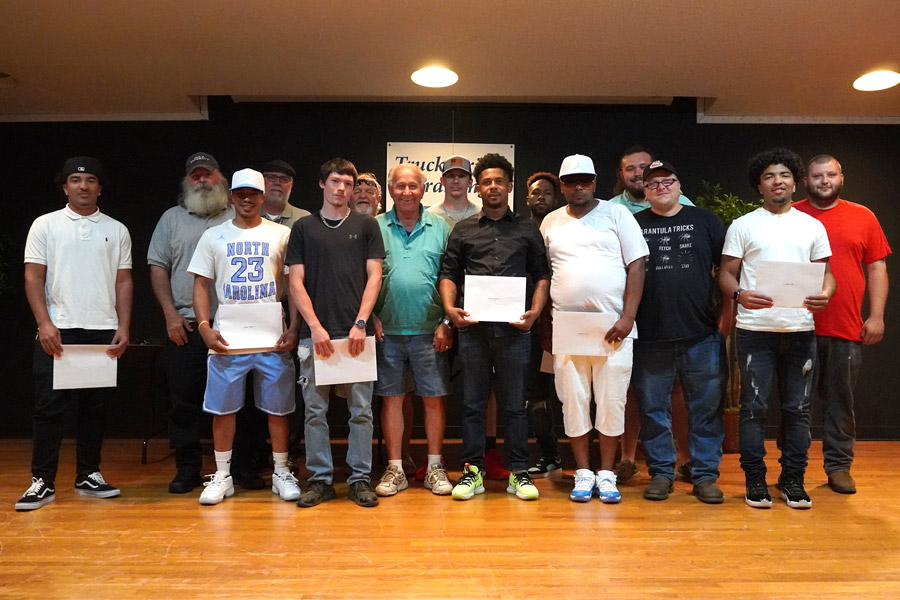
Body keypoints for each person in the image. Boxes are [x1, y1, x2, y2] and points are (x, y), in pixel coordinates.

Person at [719, 147, 835, 509]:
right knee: (753, 408)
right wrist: (739, 294)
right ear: (759, 185)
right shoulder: (743, 225)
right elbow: (725, 272)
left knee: (798, 409)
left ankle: (793, 479)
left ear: (795, 181)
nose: (777, 181)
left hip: (800, 328)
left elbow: (827, 275)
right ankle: (756, 479)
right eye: (769, 176)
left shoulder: (812, 226)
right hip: (755, 329)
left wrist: (825, 295)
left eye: (783, 175)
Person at [17, 157, 132, 511]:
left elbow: (123, 280)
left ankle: (88, 474)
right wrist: (44, 323)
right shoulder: (45, 225)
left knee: (94, 408)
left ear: (100, 187)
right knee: (49, 409)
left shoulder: (117, 229)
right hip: (58, 329)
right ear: (64, 186)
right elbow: (33, 276)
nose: (83, 186)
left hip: (101, 330)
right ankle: (42, 481)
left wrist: (123, 326)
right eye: (76, 179)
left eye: (90, 180)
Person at [439, 153, 550, 501]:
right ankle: (473, 472)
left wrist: (534, 311)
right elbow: (447, 274)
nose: (492, 187)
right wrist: (449, 309)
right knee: (472, 404)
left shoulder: (527, 229)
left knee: (515, 405)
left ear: (510, 186)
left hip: (516, 332)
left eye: (498, 181)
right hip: (473, 331)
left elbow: (543, 275)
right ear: (478, 187)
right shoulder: (464, 229)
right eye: (486, 182)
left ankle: (519, 471)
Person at [187, 168, 300, 505]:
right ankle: (223, 474)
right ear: (231, 196)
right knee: (223, 409)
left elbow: (294, 287)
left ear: (263, 196)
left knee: (279, 409)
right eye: (241, 193)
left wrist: (294, 327)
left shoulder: (281, 234)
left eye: (254, 193)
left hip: (271, 336)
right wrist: (204, 326)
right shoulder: (213, 236)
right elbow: (200, 285)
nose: (247, 199)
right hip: (228, 337)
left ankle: (281, 470)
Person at [541, 154, 648, 503]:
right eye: (571, 181)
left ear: (595, 182)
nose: (579, 186)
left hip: (613, 329)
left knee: (612, 401)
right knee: (573, 401)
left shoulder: (617, 215)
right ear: (562, 186)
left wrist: (628, 316)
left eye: (585, 180)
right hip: (568, 329)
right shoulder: (551, 222)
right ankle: (583, 472)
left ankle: (606, 473)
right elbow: (543, 275)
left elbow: (637, 266)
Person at [287, 158, 385, 508]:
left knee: (361, 411)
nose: (342, 188)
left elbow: (374, 276)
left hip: (356, 334)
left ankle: (360, 480)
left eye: (347, 182)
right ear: (322, 185)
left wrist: (361, 322)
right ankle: (320, 480)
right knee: (314, 412)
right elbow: (295, 281)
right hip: (315, 336)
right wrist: (313, 327)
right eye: (335, 181)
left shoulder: (366, 225)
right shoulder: (304, 228)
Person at [149, 152, 247, 493]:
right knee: (184, 403)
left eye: (208, 174)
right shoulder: (171, 219)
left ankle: (243, 470)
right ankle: (187, 469)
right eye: (196, 175)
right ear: (186, 181)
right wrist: (169, 314)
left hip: (234, 326)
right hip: (186, 326)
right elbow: (158, 267)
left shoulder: (238, 217)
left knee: (240, 403)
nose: (203, 180)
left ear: (221, 177)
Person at [794, 155, 891, 494]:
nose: (824, 180)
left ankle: (838, 467)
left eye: (830, 174)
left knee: (840, 402)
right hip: (796, 326)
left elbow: (877, 267)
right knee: (797, 404)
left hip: (845, 327)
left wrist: (876, 315)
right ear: (806, 180)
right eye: (817, 175)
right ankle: (794, 469)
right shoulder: (790, 215)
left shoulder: (863, 216)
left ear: (841, 178)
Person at [632, 160, 728, 503]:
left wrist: (726, 318)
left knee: (705, 410)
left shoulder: (706, 221)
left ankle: (704, 476)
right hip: (649, 337)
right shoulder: (632, 224)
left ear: (679, 185)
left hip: (701, 334)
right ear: (644, 192)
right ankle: (661, 473)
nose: (661, 187)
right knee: (653, 410)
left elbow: (730, 271)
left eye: (667, 181)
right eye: (653, 184)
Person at [609, 145, 694, 484]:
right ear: (622, 175)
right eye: (631, 169)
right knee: (628, 389)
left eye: (644, 167)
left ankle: (684, 458)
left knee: (677, 391)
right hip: (627, 313)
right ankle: (627, 458)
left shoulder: (685, 207)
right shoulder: (610, 211)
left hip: (673, 313)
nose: (638, 173)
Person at [372, 164, 454, 496]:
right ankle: (395, 469)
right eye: (400, 186)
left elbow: (453, 276)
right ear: (390, 190)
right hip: (385, 330)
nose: (407, 192)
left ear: (424, 190)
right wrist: (371, 317)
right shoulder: (374, 226)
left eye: (413, 186)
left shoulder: (442, 227)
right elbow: (362, 278)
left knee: (433, 399)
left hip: (430, 329)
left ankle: (434, 465)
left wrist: (447, 322)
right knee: (391, 399)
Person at [429, 154, 506, 480]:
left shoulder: (485, 215)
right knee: (436, 388)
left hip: (484, 316)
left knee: (485, 390)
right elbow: (446, 271)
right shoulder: (429, 217)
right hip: (441, 316)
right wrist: (446, 317)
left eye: (462, 176)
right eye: (451, 176)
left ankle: (488, 452)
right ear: (442, 180)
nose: (456, 181)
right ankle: (437, 457)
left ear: (468, 182)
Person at [523, 172, 563, 477]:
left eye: (547, 193)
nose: (541, 197)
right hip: (524, 326)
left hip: (560, 324)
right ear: (526, 199)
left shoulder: (565, 229)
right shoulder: (519, 230)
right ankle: (548, 454)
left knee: (564, 393)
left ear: (556, 198)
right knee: (534, 394)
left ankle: (572, 457)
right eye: (536, 192)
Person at [260, 159, 311, 227]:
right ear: (260, 181)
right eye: (271, 177)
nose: (277, 183)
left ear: (291, 185)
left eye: (284, 179)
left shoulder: (304, 219)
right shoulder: (247, 215)